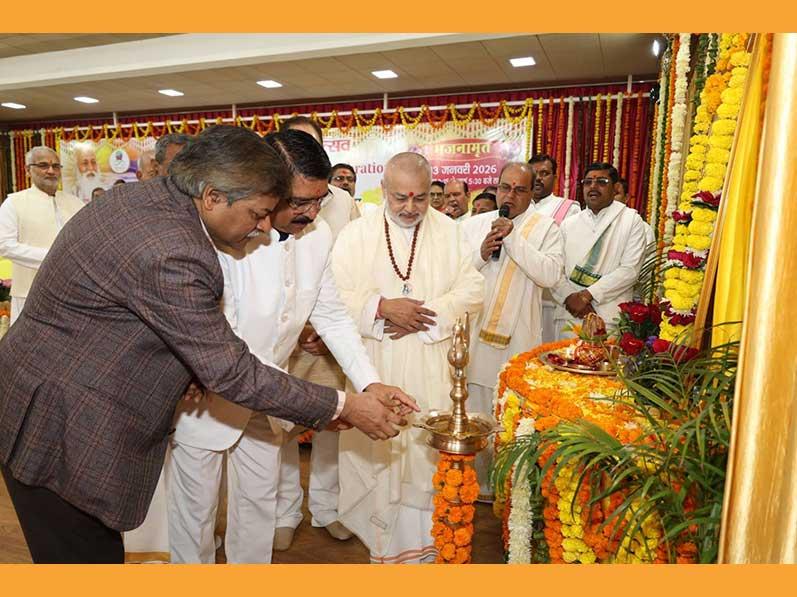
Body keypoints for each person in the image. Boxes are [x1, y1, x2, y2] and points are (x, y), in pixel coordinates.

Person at [0, 125, 416, 564]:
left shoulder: (155, 203)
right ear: (216, 194)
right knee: (97, 557)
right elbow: (228, 365)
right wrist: (344, 406)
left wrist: (366, 384)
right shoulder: (179, 246)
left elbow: (319, 315)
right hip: (70, 422)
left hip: (75, 399)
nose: (264, 227)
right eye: (262, 211)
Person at [168, 130, 400, 563]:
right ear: (266, 186)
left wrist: (369, 384)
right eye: (298, 202)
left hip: (270, 400)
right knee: (194, 522)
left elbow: (330, 314)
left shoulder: (318, 235)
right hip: (205, 402)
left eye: (320, 199)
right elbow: (220, 336)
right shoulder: (220, 238)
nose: (311, 213)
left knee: (259, 511)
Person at [331, 152, 484, 564]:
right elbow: (333, 299)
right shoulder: (355, 234)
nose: (410, 207)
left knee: (422, 456)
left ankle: (429, 554)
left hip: (431, 367)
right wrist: (381, 309)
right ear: (383, 191)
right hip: (374, 365)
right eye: (400, 198)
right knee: (380, 459)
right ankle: (386, 557)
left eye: (420, 198)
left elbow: (472, 291)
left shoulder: (451, 233)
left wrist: (421, 317)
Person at [278, 116, 363, 549]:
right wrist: (297, 326)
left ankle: (328, 508)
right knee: (278, 428)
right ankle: (285, 512)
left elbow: (345, 272)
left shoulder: (343, 204)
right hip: (282, 340)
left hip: (326, 335)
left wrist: (319, 327)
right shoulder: (264, 211)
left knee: (334, 421)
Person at [462, 162, 564, 499]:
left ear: (532, 191)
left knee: (510, 414)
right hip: (476, 337)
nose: (510, 195)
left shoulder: (546, 228)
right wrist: (481, 252)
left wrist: (513, 238)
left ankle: (509, 489)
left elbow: (549, 276)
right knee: (475, 411)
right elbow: (456, 273)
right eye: (505, 187)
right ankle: (476, 485)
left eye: (520, 189)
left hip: (517, 341)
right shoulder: (475, 224)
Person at [551, 162, 647, 335]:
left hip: (608, 316)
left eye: (601, 182)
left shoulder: (631, 221)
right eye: (587, 182)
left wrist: (587, 295)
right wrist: (571, 297)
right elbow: (556, 269)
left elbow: (630, 270)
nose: (593, 187)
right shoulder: (569, 224)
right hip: (569, 313)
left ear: (616, 188)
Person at [0, 146, 84, 325]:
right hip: (30, 294)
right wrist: (50, 257)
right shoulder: (14, 203)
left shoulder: (75, 203)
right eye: (43, 165)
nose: (51, 171)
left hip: (73, 292)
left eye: (55, 166)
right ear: (28, 170)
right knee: (29, 348)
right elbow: (5, 245)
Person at [527, 154, 581, 343]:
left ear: (555, 177)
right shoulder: (519, 208)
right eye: (534, 174)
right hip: (521, 296)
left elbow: (569, 257)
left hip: (551, 299)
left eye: (545, 173)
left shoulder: (568, 208)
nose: (539, 178)